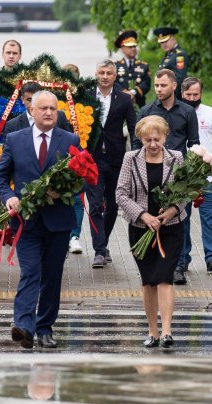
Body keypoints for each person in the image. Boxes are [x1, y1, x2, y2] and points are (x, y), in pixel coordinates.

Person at [0, 91, 81, 350]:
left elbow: (83, 178)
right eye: (43, 108)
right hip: (26, 221)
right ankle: (23, 326)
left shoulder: (70, 140)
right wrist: (9, 197)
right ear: (31, 110)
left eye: (53, 109)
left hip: (58, 221)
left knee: (52, 276)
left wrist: (65, 191)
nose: (48, 113)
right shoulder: (15, 139)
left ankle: (45, 328)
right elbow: (0, 177)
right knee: (30, 272)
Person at [116, 115, 186, 348]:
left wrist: (172, 211)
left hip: (171, 228)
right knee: (148, 280)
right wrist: (143, 215)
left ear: (165, 137)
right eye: (148, 140)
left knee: (165, 277)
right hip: (140, 229)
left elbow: (186, 191)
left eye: (157, 139)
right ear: (140, 139)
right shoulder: (130, 159)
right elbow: (121, 194)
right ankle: (152, 332)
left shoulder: (176, 158)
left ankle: (167, 331)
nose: (153, 144)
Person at [135, 69, 199, 284]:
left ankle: (178, 265)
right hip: (151, 174)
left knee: (180, 219)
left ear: (174, 86)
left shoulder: (188, 112)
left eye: (163, 85)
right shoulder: (146, 111)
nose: (159, 89)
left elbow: (194, 144)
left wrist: (192, 175)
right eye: (156, 86)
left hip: (177, 177)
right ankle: (153, 260)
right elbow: (136, 145)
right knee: (153, 216)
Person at [87, 59, 136, 268]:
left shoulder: (124, 99)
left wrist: (135, 155)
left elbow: (134, 128)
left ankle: (103, 242)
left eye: (109, 73)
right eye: (101, 72)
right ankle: (99, 251)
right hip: (93, 159)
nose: (105, 76)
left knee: (114, 205)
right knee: (96, 205)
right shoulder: (86, 96)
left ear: (115, 76)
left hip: (117, 158)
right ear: (96, 74)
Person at [179, 77, 212, 273]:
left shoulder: (210, 113)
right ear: (182, 94)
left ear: (201, 94)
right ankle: (183, 258)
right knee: (183, 218)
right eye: (188, 95)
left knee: (208, 217)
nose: (192, 98)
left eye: (196, 94)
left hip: (206, 175)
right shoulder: (176, 112)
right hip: (182, 177)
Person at [62, 63, 86, 255]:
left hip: (79, 155)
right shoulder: (53, 101)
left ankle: (74, 236)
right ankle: (61, 235)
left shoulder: (86, 101)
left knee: (77, 200)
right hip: (59, 157)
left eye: (73, 77)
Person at [114, 30, 151, 108]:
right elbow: (113, 83)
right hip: (120, 104)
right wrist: (125, 93)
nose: (133, 49)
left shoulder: (144, 66)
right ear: (123, 48)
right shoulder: (115, 66)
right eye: (130, 47)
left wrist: (133, 92)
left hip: (139, 104)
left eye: (134, 46)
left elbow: (147, 83)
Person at [154, 27, 188, 99]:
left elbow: (179, 78)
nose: (164, 45)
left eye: (166, 41)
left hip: (173, 97)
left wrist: (169, 96)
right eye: (161, 42)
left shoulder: (179, 54)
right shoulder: (169, 54)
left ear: (173, 39)